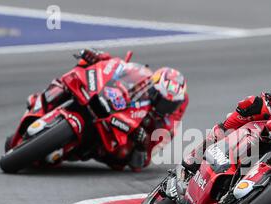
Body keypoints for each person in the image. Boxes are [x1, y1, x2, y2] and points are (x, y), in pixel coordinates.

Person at [26, 49, 189, 172]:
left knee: (120, 154)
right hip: (107, 101)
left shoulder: (168, 124)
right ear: (153, 89)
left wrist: (141, 143)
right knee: (72, 78)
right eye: (161, 99)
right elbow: (116, 66)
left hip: (111, 139)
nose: (164, 107)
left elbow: (141, 162)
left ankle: (66, 147)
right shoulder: (142, 77)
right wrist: (97, 56)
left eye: (169, 104)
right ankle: (39, 104)